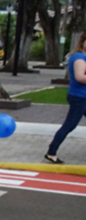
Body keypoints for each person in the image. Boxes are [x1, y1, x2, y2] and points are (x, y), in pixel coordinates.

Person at [45, 31, 86, 164]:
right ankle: (51, 152)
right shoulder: (79, 57)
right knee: (69, 125)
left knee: (69, 125)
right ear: (83, 41)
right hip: (79, 97)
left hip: (82, 96)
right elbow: (80, 77)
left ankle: (51, 151)